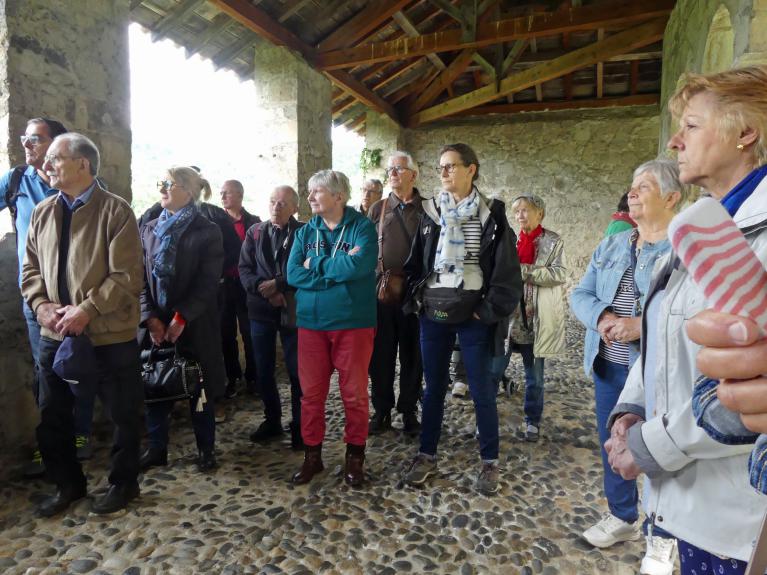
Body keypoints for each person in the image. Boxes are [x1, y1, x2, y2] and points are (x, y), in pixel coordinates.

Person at [606, 66, 767, 574]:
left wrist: (646, 448)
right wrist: (631, 408)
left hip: (726, 518)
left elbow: (743, 395)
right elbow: (659, 334)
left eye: (692, 126)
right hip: (671, 501)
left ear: (745, 134)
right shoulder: (700, 226)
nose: (675, 140)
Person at [21, 132, 144, 516]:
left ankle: (124, 484)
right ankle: (68, 486)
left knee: (122, 413)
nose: (47, 165)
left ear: (83, 164)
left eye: (56, 158)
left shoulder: (116, 211)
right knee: (52, 415)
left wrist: (87, 309)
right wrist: (41, 306)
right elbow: (29, 269)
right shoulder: (43, 212)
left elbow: (126, 276)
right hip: (54, 333)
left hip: (108, 334)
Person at [571, 159, 685, 572]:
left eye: (645, 186)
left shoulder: (683, 252)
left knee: (663, 451)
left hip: (658, 374)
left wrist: (643, 325)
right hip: (609, 367)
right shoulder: (615, 244)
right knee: (615, 444)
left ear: (672, 197)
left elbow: (692, 317)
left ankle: (664, 535)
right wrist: (601, 318)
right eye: (632, 186)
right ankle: (622, 516)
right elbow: (579, 294)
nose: (632, 192)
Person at [401, 143, 522, 495]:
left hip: (473, 316)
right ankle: (426, 454)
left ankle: (490, 461)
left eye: (452, 166)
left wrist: (483, 312)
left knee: (482, 389)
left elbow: (507, 277)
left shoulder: (492, 218)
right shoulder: (430, 214)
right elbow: (416, 264)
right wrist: (418, 299)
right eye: (441, 166)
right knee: (434, 386)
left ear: (472, 169)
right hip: (433, 313)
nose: (444, 172)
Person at [0, 118, 101, 473]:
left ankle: (80, 437)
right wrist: (40, 303)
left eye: (35, 139)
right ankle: (52, 446)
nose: (27, 145)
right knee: (47, 374)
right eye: (24, 138)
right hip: (38, 302)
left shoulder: (86, 187)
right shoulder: (16, 181)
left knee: (79, 369)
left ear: (60, 145)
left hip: (79, 300)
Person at [286, 170, 377, 487]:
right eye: (309, 191)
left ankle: (355, 459)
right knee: (310, 396)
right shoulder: (304, 233)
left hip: (353, 324)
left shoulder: (363, 228)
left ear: (338, 196)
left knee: (354, 396)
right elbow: (293, 274)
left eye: (317, 191)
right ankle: (313, 457)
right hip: (311, 324)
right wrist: (336, 273)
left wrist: (317, 266)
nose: (309, 197)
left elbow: (360, 266)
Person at [138, 167, 225, 473]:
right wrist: (149, 317)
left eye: (169, 184)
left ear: (188, 192)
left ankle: (206, 448)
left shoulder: (207, 231)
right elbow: (139, 279)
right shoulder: (148, 228)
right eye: (160, 183)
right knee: (154, 387)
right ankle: (157, 448)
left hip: (194, 325)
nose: (161, 188)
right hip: (156, 326)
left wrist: (180, 317)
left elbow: (207, 282)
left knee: (198, 389)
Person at [239, 185, 303, 450]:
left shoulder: (305, 234)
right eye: (273, 201)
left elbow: (308, 268)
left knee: (297, 371)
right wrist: (265, 291)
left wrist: (279, 285)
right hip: (260, 312)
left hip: (293, 312)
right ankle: (272, 420)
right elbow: (244, 269)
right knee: (263, 369)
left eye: (283, 203)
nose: (276, 207)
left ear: (294, 208)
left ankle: (301, 426)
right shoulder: (255, 232)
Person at [367, 152, 424, 436]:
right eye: (390, 169)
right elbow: (366, 249)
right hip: (383, 292)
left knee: (413, 355)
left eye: (398, 169)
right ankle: (382, 410)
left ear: (413, 174)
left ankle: (409, 410)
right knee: (381, 355)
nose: (392, 173)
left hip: (415, 292)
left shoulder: (428, 209)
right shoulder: (378, 208)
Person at [504, 194, 567, 442]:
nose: (520, 215)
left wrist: (524, 271)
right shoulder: (509, 240)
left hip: (535, 319)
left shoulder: (552, 241)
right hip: (508, 319)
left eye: (525, 210)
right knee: (494, 368)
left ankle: (532, 420)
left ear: (539, 213)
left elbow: (559, 273)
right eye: (517, 211)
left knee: (535, 377)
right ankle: (485, 416)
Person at [219, 179, 260, 398]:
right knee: (226, 333)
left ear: (239, 195)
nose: (223, 196)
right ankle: (232, 377)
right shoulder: (215, 222)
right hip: (225, 286)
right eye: (221, 193)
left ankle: (254, 377)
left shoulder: (254, 222)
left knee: (249, 332)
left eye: (227, 193)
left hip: (246, 287)